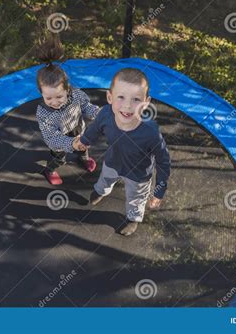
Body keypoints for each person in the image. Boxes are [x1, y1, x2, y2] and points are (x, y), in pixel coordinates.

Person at [75, 68, 170, 236]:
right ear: (110, 97)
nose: (127, 105)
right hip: (112, 162)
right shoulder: (105, 114)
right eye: (121, 97)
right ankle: (101, 192)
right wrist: (84, 141)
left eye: (136, 100)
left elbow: (163, 161)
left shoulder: (151, 132)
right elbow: (95, 129)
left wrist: (159, 190)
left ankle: (133, 217)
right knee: (104, 180)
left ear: (146, 103)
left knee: (136, 199)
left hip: (138, 175)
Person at [35, 35, 100, 185]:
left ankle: (83, 158)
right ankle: (49, 170)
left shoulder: (76, 94)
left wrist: (98, 113)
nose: (54, 102)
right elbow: (51, 136)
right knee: (60, 159)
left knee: (84, 148)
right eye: (48, 98)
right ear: (41, 94)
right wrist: (71, 143)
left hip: (78, 129)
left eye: (59, 97)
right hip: (59, 140)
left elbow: (86, 106)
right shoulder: (43, 112)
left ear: (67, 89)